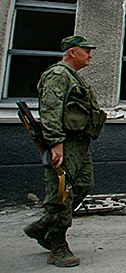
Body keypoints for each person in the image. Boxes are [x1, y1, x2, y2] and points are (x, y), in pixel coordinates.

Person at [24, 35, 106, 267]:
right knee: (62, 192)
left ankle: (42, 226)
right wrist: (55, 142)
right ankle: (57, 246)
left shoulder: (73, 77)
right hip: (65, 143)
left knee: (84, 184)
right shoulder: (58, 74)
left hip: (80, 143)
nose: (90, 55)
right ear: (72, 52)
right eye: (86, 50)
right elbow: (50, 109)